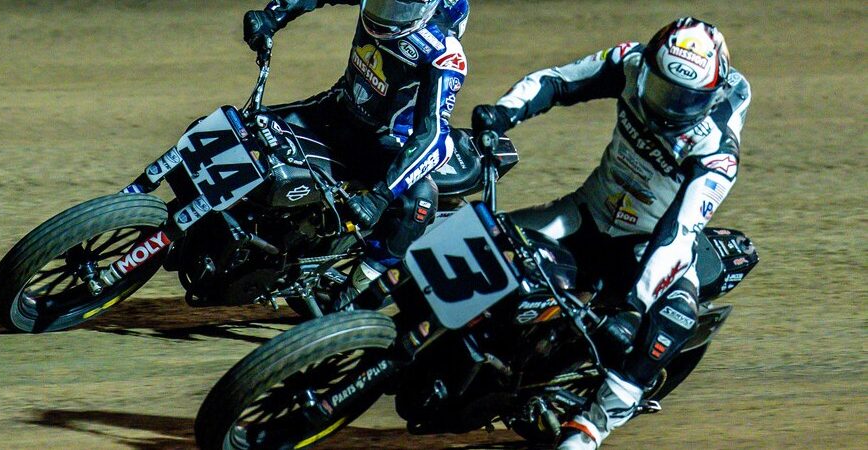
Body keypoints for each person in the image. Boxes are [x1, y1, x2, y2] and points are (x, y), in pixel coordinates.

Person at [471, 17, 750, 449]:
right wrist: (501, 114)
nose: (668, 107)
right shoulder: (630, 61)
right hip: (585, 211)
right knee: (479, 236)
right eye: (661, 90)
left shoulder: (716, 153)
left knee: (674, 319)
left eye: (684, 99)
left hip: (648, 246)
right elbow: (556, 81)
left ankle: (590, 429)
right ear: (648, 68)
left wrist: (635, 308)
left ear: (711, 96)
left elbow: (679, 235)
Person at [243, 0, 469, 302]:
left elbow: (434, 136)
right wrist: (273, 15)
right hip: (336, 109)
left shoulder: (444, 54)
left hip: (383, 145)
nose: (386, 11)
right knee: (248, 130)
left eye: (400, 8)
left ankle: (353, 296)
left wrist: (380, 197)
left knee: (418, 201)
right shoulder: (379, 6)